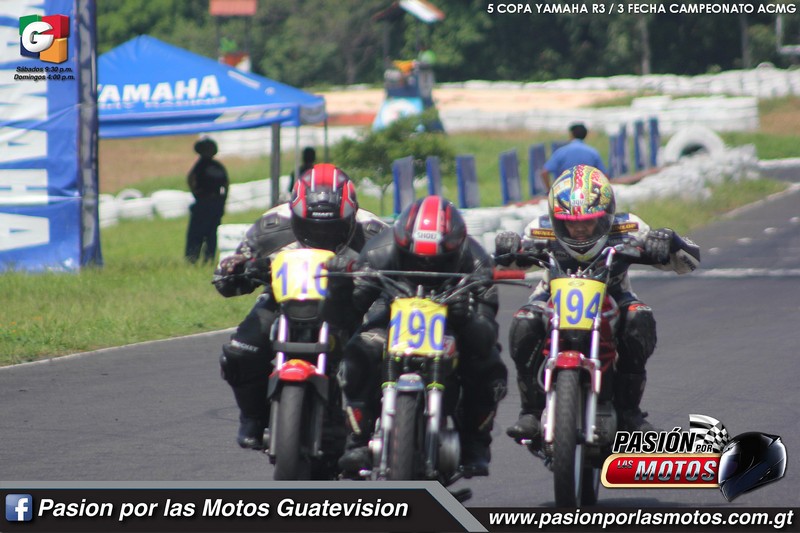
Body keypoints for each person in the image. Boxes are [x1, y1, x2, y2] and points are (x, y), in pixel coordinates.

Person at [494, 165, 700, 442]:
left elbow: (689, 262)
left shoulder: (630, 227)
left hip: (613, 294)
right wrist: (507, 246)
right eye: (570, 222)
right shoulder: (539, 229)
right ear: (556, 219)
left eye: (588, 222)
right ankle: (530, 410)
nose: (579, 229)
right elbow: (507, 263)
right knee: (524, 321)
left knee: (639, 317)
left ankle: (629, 412)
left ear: (606, 215)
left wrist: (668, 241)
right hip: (552, 295)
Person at [330, 195, 508, 478]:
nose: (425, 269)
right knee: (358, 350)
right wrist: (340, 287)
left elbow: (487, 334)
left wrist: (465, 316)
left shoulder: (476, 261)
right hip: (392, 312)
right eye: (415, 260)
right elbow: (346, 317)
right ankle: (358, 439)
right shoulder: (378, 252)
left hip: (453, 318)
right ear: (401, 245)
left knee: (490, 367)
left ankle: (476, 443)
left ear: (455, 249)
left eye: (437, 262)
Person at [212, 163, 387, 450]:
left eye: (332, 227)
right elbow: (234, 270)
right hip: (284, 299)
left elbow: (397, 277)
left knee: (375, 352)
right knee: (239, 351)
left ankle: (369, 423)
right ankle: (253, 416)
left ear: (351, 215)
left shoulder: (375, 232)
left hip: (350, 304)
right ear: (295, 214)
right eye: (312, 225)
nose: (322, 234)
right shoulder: (272, 225)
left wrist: (375, 284)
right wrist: (235, 270)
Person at [185, 137, 229, 264]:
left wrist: (196, 193)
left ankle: (194, 257)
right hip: (214, 203)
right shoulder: (216, 166)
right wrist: (222, 199)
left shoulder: (201, 166)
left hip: (204, 202)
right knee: (210, 233)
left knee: (199, 233)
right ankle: (206, 258)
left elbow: (190, 179)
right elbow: (226, 184)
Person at [541, 123, 606, 190]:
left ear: (571, 134)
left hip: (564, 191)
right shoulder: (593, 152)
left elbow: (544, 172)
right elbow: (604, 176)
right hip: (587, 191)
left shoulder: (561, 151)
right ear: (585, 135)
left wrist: (549, 190)